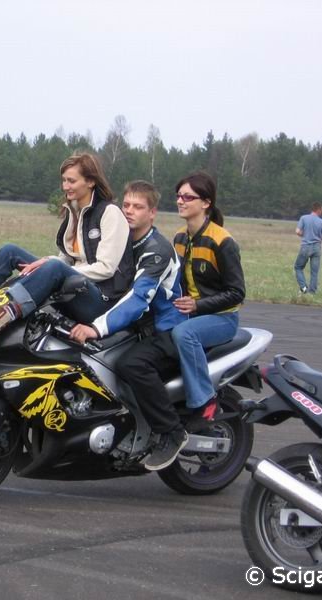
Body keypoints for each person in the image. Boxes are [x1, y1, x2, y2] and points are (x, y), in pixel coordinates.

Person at [0, 152, 133, 347]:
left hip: (100, 303)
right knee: (10, 251)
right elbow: (68, 259)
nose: (65, 186)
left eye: (71, 181)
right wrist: (47, 261)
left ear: (91, 181)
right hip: (75, 288)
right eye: (64, 180)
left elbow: (106, 268)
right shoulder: (74, 211)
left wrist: (55, 267)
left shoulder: (109, 213)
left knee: (54, 267)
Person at [111, 172, 245, 471]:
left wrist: (199, 305)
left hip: (220, 318)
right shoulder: (181, 239)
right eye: (179, 196)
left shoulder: (222, 241)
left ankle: (204, 402)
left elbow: (237, 293)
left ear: (206, 203)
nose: (181, 201)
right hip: (188, 315)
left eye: (188, 197)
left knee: (184, 333)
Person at [68, 180, 184, 345]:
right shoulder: (120, 240)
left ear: (152, 213)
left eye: (138, 207)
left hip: (162, 328)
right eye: (126, 205)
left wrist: (96, 328)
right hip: (133, 323)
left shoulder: (158, 251)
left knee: (123, 361)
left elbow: (138, 296)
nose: (129, 211)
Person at [294, 202, 322, 294]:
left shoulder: (303, 218)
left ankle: (304, 287)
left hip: (305, 247)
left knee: (298, 267)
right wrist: (318, 238)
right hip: (317, 248)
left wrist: (305, 235)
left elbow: (297, 231)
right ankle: (312, 292)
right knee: (314, 272)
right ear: (319, 210)